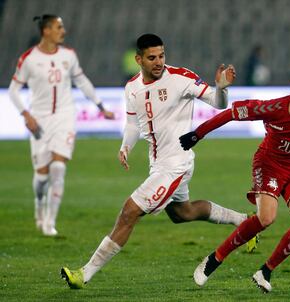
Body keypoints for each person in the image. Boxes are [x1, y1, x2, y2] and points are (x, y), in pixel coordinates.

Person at [61, 33, 257, 289]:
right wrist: (126, 146)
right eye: (152, 57)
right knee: (181, 213)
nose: (158, 62)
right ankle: (244, 221)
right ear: (138, 59)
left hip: (177, 164)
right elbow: (133, 122)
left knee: (129, 212)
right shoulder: (132, 87)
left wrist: (222, 88)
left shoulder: (181, 78)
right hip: (157, 163)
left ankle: (83, 274)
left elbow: (218, 104)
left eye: (162, 55)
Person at [179, 73, 290, 293]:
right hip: (269, 165)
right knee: (266, 218)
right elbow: (231, 114)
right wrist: (198, 134)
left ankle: (265, 271)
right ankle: (214, 259)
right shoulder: (272, 108)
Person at [8, 15, 115, 236]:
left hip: (65, 117)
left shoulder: (69, 55)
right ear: (46, 30)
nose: (63, 31)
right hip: (39, 119)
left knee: (58, 168)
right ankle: (39, 203)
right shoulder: (28, 59)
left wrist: (100, 106)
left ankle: (50, 222)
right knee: (42, 176)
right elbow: (13, 90)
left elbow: (82, 81)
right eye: (59, 27)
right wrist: (26, 115)